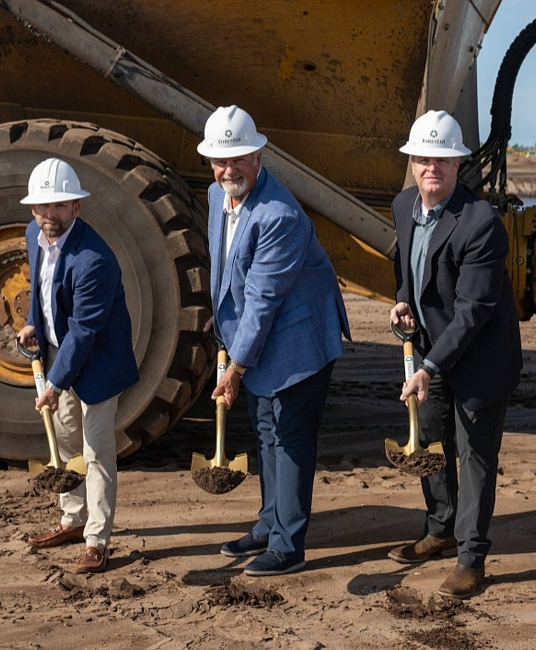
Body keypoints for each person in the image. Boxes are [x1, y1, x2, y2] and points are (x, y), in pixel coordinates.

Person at [197, 105, 351, 577]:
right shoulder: (215, 196)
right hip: (260, 334)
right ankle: (269, 523)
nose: (229, 170)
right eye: (221, 161)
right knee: (265, 431)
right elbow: (229, 277)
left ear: (259, 155)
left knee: (289, 438)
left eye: (239, 158)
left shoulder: (277, 215)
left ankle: (289, 546)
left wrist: (234, 367)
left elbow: (263, 298)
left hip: (298, 340)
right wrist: (227, 338)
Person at [388, 110, 522, 599]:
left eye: (442, 160)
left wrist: (429, 366)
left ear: (458, 164)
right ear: (413, 163)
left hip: (480, 358)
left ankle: (471, 558)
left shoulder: (481, 222)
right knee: (430, 441)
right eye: (423, 158)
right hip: (432, 351)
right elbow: (406, 266)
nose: (432, 168)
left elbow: (474, 310)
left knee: (474, 455)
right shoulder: (404, 206)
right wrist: (402, 301)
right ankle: (440, 528)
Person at [17, 157, 139, 574]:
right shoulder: (35, 233)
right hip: (60, 356)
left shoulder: (95, 261)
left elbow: (84, 332)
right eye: (42, 206)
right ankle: (72, 520)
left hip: (99, 364)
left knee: (97, 451)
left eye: (59, 206)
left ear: (76, 208)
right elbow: (40, 284)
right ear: (32, 210)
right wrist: (34, 320)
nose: (49, 215)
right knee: (66, 441)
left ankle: (97, 541)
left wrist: (52, 384)